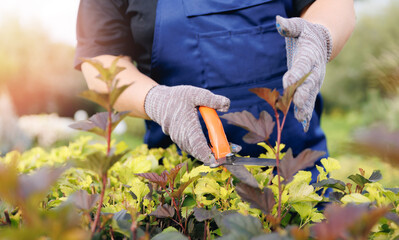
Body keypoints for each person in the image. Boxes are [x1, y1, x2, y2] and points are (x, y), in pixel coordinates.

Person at [75, 0, 355, 182]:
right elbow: (100, 59)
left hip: (299, 178)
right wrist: (155, 100)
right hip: (183, 188)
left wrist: (320, 34)